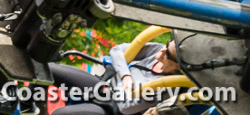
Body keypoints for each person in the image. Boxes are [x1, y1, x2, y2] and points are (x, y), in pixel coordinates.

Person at [49, 38, 182, 115]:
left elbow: (125, 107)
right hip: (103, 86)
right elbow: (117, 50)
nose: (162, 51)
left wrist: (120, 71)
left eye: (168, 54)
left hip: (111, 109)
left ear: (177, 67)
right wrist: (125, 76)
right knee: (48, 69)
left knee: (60, 114)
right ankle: (28, 105)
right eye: (166, 45)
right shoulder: (156, 49)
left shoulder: (167, 87)